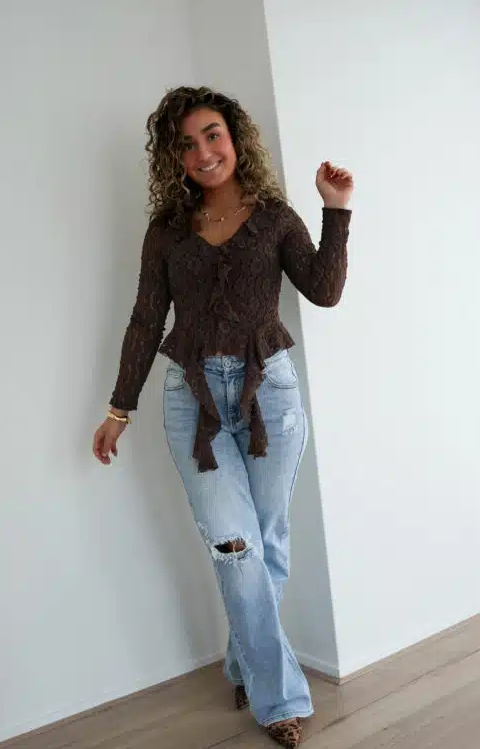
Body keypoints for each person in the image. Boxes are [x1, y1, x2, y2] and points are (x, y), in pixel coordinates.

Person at [92, 86, 353, 748]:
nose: (203, 152)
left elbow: (323, 290)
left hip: (271, 399)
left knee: (267, 544)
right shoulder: (168, 231)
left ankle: (246, 664)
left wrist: (335, 211)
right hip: (194, 403)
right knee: (236, 549)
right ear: (173, 157)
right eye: (187, 144)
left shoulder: (275, 217)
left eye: (212, 135)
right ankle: (280, 698)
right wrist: (119, 408)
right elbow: (146, 319)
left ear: (235, 138)